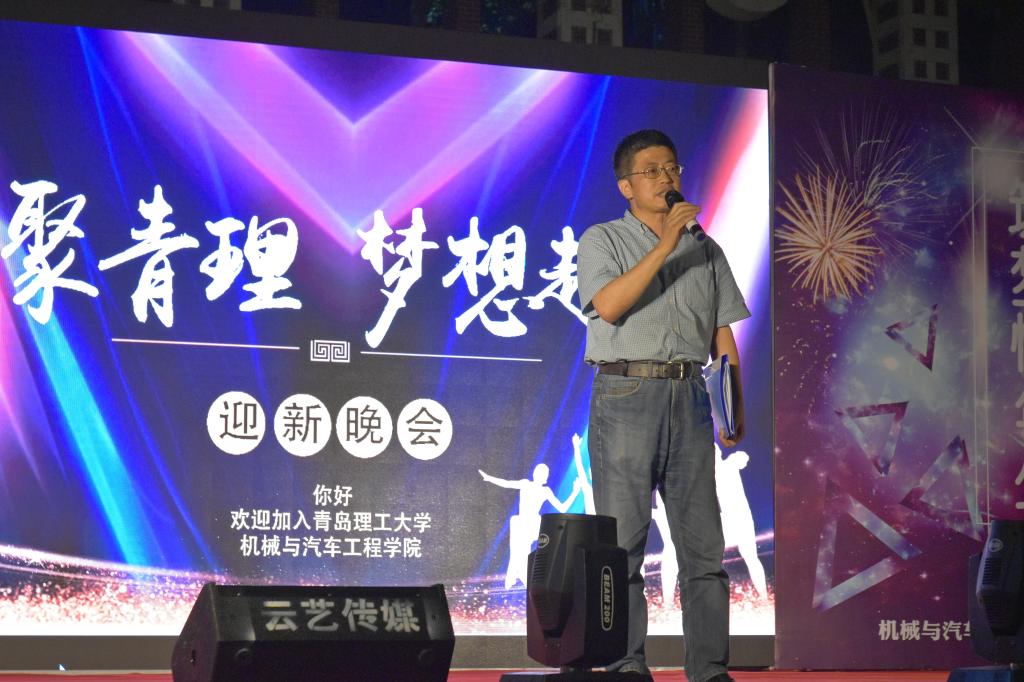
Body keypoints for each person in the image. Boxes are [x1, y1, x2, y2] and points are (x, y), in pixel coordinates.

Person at [576, 129, 749, 682]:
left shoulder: (706, 247)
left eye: (672, 168)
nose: (666, 178)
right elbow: (608, 305)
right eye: (651, 170)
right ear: (626, 186)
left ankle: (710, 670)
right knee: (623, 543)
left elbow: (722, 331)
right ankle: (627, 664)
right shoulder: (602, 239)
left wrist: (731, 406)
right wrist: (664, 244)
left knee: (704, 547)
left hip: (691, 394)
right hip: (627, 391)